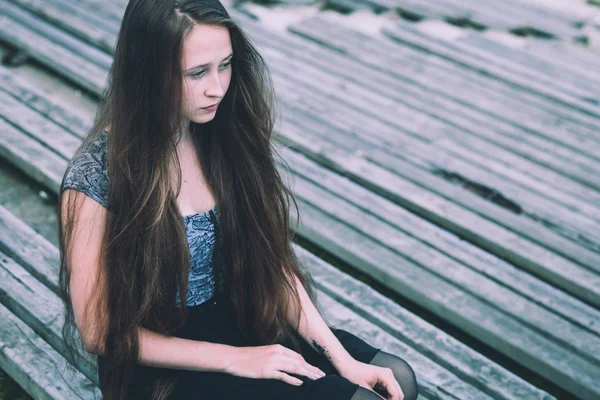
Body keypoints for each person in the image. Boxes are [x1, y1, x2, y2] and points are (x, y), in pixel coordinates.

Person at [57, 0, 419, 399]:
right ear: (149, 72)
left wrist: (341, 360)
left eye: (225, 65)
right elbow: (97, 330)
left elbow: (271, 263)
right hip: (163, 368)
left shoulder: (220, 135)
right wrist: (235, 359)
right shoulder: (96, 174)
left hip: (238, 321)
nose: (218, 87)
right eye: (197, 73)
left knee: (394, 378)